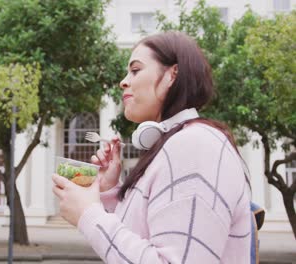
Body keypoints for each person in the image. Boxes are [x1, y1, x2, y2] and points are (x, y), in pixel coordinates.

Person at [52, 31, 252, 263]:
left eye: (135, 70)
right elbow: (148, 236)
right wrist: (108, 191)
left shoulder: (194, 146)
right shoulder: (178, 143)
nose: (123, 81)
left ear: (172, 75)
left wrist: (89, 215)